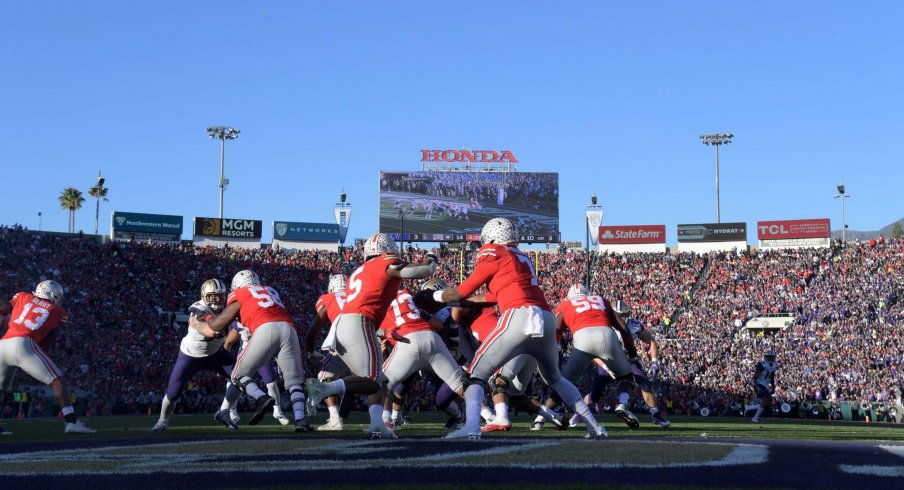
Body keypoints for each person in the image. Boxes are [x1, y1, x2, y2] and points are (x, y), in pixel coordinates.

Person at [430, 218, 607, 439]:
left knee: (474, 375)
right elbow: (491, 297)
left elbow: (459, 292)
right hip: (545, 317)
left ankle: (472, 425)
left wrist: (436, 296)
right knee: (555, 378)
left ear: (492, 238)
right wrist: (458, 303)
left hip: (519, 315)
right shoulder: (521, 257)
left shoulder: (493, 252)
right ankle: (595, 426)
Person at [305, 233, 437, 439]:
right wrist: (431, 260)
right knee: (373, 381)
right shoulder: (384, 262)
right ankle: (325, 388)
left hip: (347, 324)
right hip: (359, 322)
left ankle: (378, 424)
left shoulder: (359, 270)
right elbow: (423, 270)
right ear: (386, 250)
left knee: (381, 381)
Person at [192, 270, 312, 432]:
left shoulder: (240, 293)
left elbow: (216, 325)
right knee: (295, 380)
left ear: (237, 285)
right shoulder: (270, 290)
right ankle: (300, 420)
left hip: (265, 329)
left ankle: (261, 398)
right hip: (289, 328)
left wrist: (205, 317)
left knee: (238, 375)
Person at [0, 280, 95, 434]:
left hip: (3, 344)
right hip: (24, 343)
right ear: (53, 294)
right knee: (57, 381)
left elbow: (3, 308)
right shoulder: (59, 311)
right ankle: (71, 422)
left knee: (1, 389)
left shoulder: (22, 295)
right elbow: (49, 340)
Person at [152, 279, 241, 432]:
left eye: (220, 296)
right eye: (213, 296)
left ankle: (224, 412)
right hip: (191, 355)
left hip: (215, 353)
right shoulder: (198, 309)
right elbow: (210, 331)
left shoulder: (228, 308)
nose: (217, 299)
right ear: (205, 295)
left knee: (241, 377)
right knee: (173, 394)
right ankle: (162, 421)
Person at [305, 273, 349, 431]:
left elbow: (313, 330)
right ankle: (387, 417)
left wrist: (311, 351)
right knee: (374, 378)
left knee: (324, 378)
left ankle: (335, 419)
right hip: (366, 337)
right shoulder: (357, 295)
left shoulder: (328, 297)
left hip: (345, 339)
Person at [750, 352, 779, 423]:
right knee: (766, 399)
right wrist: (756, 386)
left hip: (765, 384)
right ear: (766, 357)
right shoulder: (762, 364)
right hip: (759, 383)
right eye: (769, 357)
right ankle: (755, 418)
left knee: (767, 401)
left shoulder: (775, 365)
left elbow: (772, 376)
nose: (771, 358)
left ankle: (749, 408)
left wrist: (773, 386)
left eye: (772, 357)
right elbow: (754, 377)